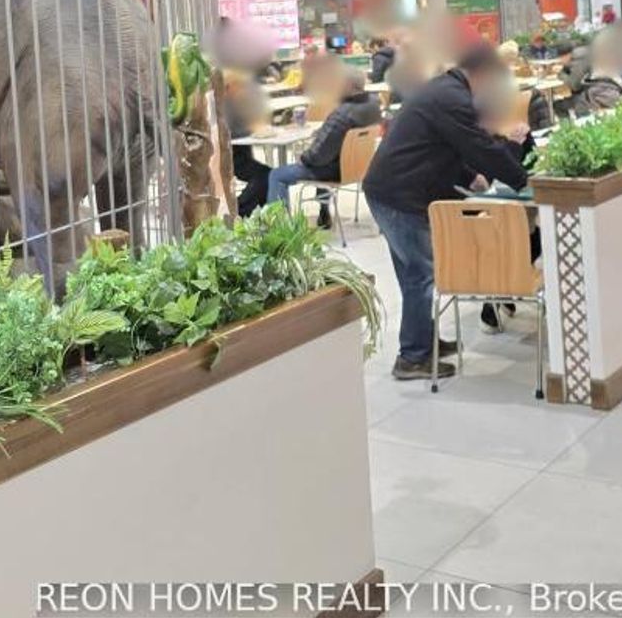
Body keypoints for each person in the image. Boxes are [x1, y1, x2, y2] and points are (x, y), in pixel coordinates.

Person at [362, 42, 531, 381]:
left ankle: (423, 342)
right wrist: (523, 180)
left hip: (393, 190)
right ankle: (413, 358)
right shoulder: (452, 98)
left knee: (415, 275)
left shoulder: (444, 91)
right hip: (399, 196)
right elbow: (479, 146)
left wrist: (470, 177)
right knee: (421, 275)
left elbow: (442, 145)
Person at [267, 69, 382, 210]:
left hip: (335, 170)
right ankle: (324, 211)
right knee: (326, 157)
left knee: (277, 175)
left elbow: (318, 156)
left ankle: (278, 221)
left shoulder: (341, 115)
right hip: (359, 166)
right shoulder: (374, 103)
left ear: (347, 85)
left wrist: (303, 158)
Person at [223, 71, 272, 217]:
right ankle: (239, 211)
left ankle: (257, 215)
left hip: (239, 155)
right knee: (266, 176)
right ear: (228, 87)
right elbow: (229, 133)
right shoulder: (222, 106)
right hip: (229, 157)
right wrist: (252, 130)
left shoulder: (234, 103)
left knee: (267, 175)